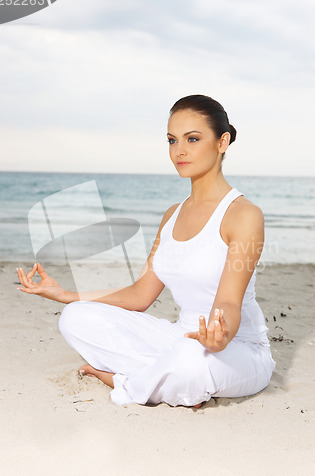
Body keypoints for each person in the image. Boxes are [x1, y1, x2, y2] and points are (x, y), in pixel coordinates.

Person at [16, 94, 276, 408]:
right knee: (74, 318)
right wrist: (66, 294)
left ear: (222, 142)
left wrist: (221, 334)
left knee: (191, 358)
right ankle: (168, 379)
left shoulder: (244, 215)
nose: (179, 150)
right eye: (172, 140)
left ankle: (124, 381)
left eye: (192, 139)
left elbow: (229, 302)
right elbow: (140, 295)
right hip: (182, 337)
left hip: (237, 347)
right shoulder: (172, 215)